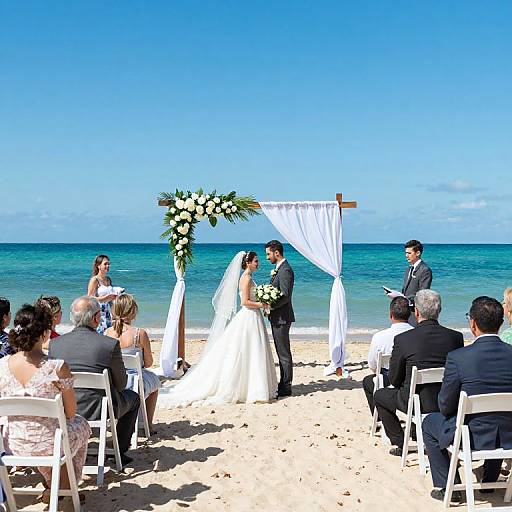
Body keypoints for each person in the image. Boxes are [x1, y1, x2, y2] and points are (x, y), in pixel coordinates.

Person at [158, 251, 278, 408]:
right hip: (249, 316)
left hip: (254, 318)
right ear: (247, 263)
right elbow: (244, 302)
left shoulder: (250, 278)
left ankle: (254, 386)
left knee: (254, 350)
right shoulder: (246, 279)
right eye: (255, 261)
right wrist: (263, 304)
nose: (258, 263)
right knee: (247, 350)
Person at [422, 296, 512, 503]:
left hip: (471, 438)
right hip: (508, 435)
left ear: (472, 323)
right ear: (500, 323)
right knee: (498, 420)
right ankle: (489, 482)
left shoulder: (458, 357)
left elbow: (445, 405)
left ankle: (449, 488)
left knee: (429, 423)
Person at [0, 304, 90, 505]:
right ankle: (66, 488)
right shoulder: (56, 367)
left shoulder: (2, 366)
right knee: (80, 425)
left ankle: (55, 486)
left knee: (60, 432)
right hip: (50, 445)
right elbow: (71, 412)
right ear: (45, 333)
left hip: (12, 444)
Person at [49, 296, 140, 466]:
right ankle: (119, 450)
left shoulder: (56, 345)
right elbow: (121, 384)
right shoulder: (109, 344)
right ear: (96, 318)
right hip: (99, 410)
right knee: (133, 398)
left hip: (65, 410)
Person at [373, 289, 464, 456]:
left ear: (416, 312)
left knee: (380, 395)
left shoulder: (404, 339)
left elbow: (394, 379)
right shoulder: (456, 337)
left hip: (415, 402)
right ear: (440, 311)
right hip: (448, 401)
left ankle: (401, 443)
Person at [105, 294, 161, 431]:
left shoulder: (107, 333)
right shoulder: (139, 334)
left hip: (114, 382)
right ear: (133, 312)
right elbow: (148, 363)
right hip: (135, 381)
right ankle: (148, 423)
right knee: (155, 382)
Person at [362, 297, 413, 415]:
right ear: (410, 314)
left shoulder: (379, 337)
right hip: (411, 380)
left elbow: (373, 366)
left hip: (388, 378)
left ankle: (380, 417)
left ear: (391, 315)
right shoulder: (416, 334)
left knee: (368, 382)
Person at [265, 240, 295, 397]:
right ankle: (284, 382)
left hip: (282, 317)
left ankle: (286, 385)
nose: (267, 257)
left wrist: (271, 306)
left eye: (268, 254)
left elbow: (285, 295)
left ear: (277, 253)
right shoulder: (279, 269)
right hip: (278, 317)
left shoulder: (285, 271)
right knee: (280, 350)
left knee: (283, 352)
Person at [87, 255, 119, 334]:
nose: (108, 266)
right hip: (98, 313)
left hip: (109, 313)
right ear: (98, 266)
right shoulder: (95, 280)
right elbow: (89, 299)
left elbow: (111, 299)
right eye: (105, 264)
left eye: (108, 264)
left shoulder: (108, 279)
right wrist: (105, 298)